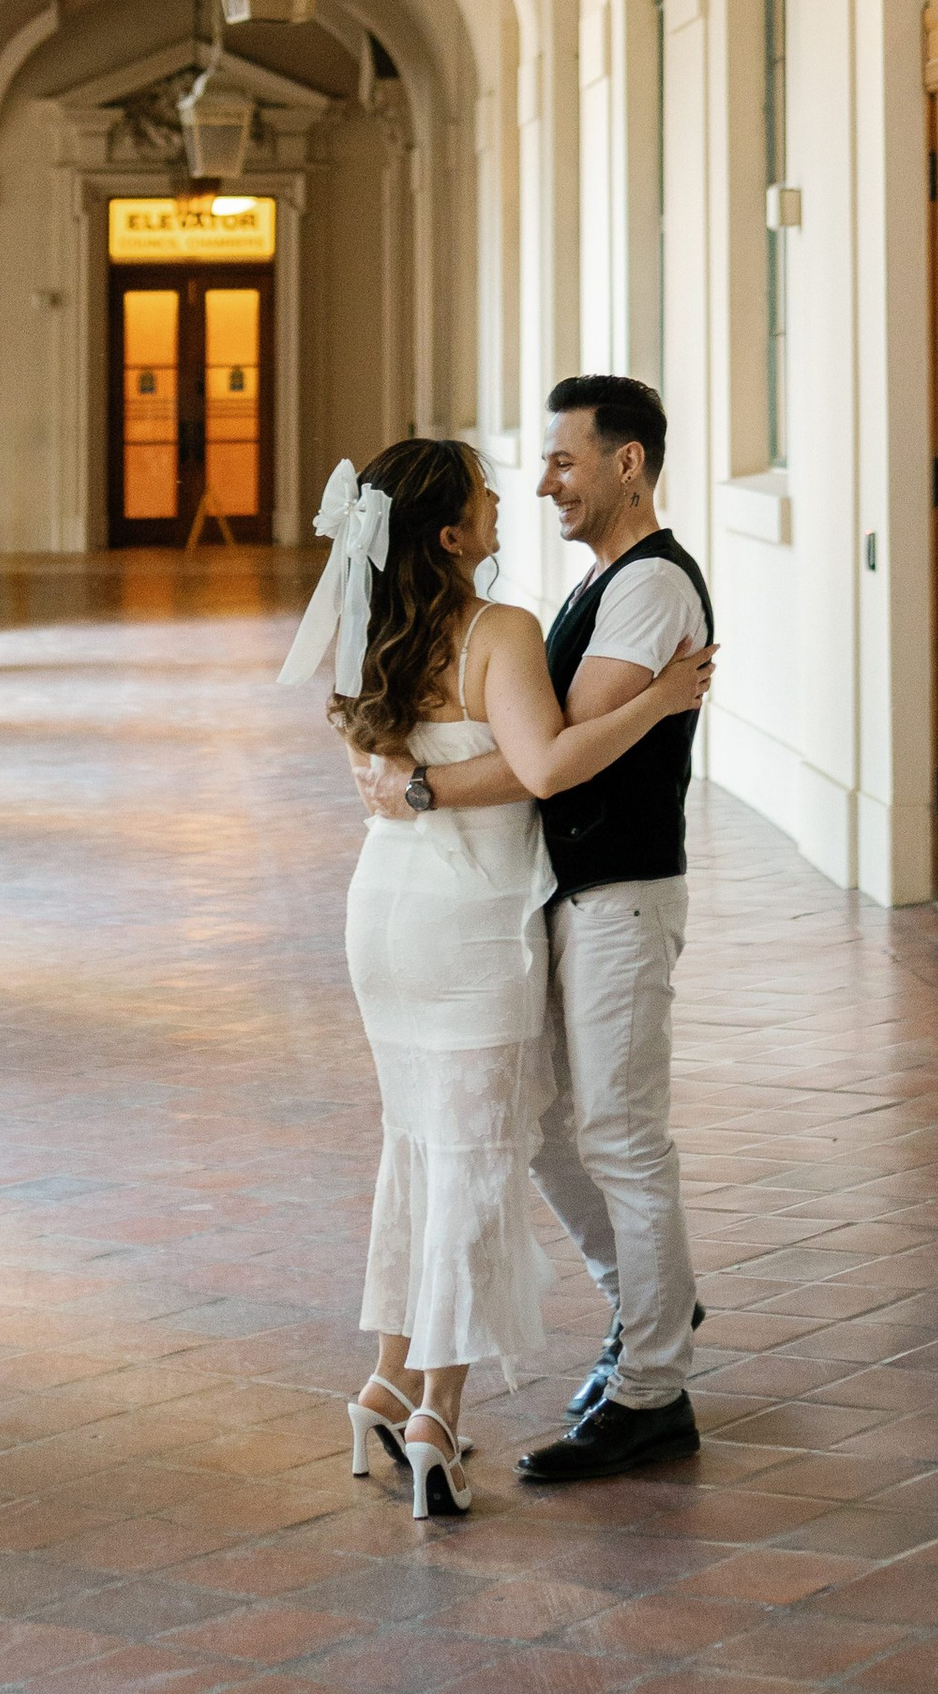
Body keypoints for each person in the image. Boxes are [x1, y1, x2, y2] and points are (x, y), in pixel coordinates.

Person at [282, 436, 712, 1519]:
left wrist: (421, 784)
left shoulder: (369, 629)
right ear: (446, 534)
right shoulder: (498, 630)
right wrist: (661, 700)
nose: (502, 503)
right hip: (472, 925)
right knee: (472, 1163)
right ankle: (436, 1418)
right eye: (481, 496)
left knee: (417, 1150)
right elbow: (547, 767)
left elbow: (385, 780)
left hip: (383, 913)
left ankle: (386, 1380)